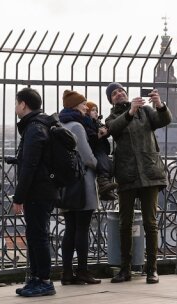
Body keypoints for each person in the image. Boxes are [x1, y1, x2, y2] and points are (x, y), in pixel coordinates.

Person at [104, 83, 172, 284]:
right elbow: (113, 129)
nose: (119, 94)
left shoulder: (146, 110)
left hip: (150, 172)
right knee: (125, 224)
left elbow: (164, 120)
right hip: (127, 174)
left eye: (121, 90)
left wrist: (160, 105)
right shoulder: (111, 118)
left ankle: (152, 269)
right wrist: (130, 112)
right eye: (114, 93)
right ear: (111, 99)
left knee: (150, 223)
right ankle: (125, 269)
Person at [12, 87, 59, 298]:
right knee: (35, 234)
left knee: (38, 235)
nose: (15, 107)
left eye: (16, 103)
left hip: (38, 191)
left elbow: (31, 164)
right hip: (43, 189)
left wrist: (19, 197)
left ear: (23, 104)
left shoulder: (34, 127)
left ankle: (44, 281)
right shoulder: (40, 124)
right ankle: (37, 277)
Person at [58, 90, 101, 285]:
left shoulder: (60, 124)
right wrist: (99, 164)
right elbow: (86, 156)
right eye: (83, 104)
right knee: (82, 229)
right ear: (75, 106)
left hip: (66, 184)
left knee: (70, 229)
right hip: (82, 183)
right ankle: (82, 271)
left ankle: (67, 272)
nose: (86, 107)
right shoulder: (77, 126)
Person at [85, 101, 118, 201]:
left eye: (96, 110)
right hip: (95, 150)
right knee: (103, 164)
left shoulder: (97, 122)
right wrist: (99, 134)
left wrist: (104, 131)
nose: (96, 112)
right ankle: (103, 185)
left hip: (102, 150)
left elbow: (106, 132)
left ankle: (106, 191)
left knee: (109, 165)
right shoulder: (87, 122)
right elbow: (90, 137)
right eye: (93, 110)